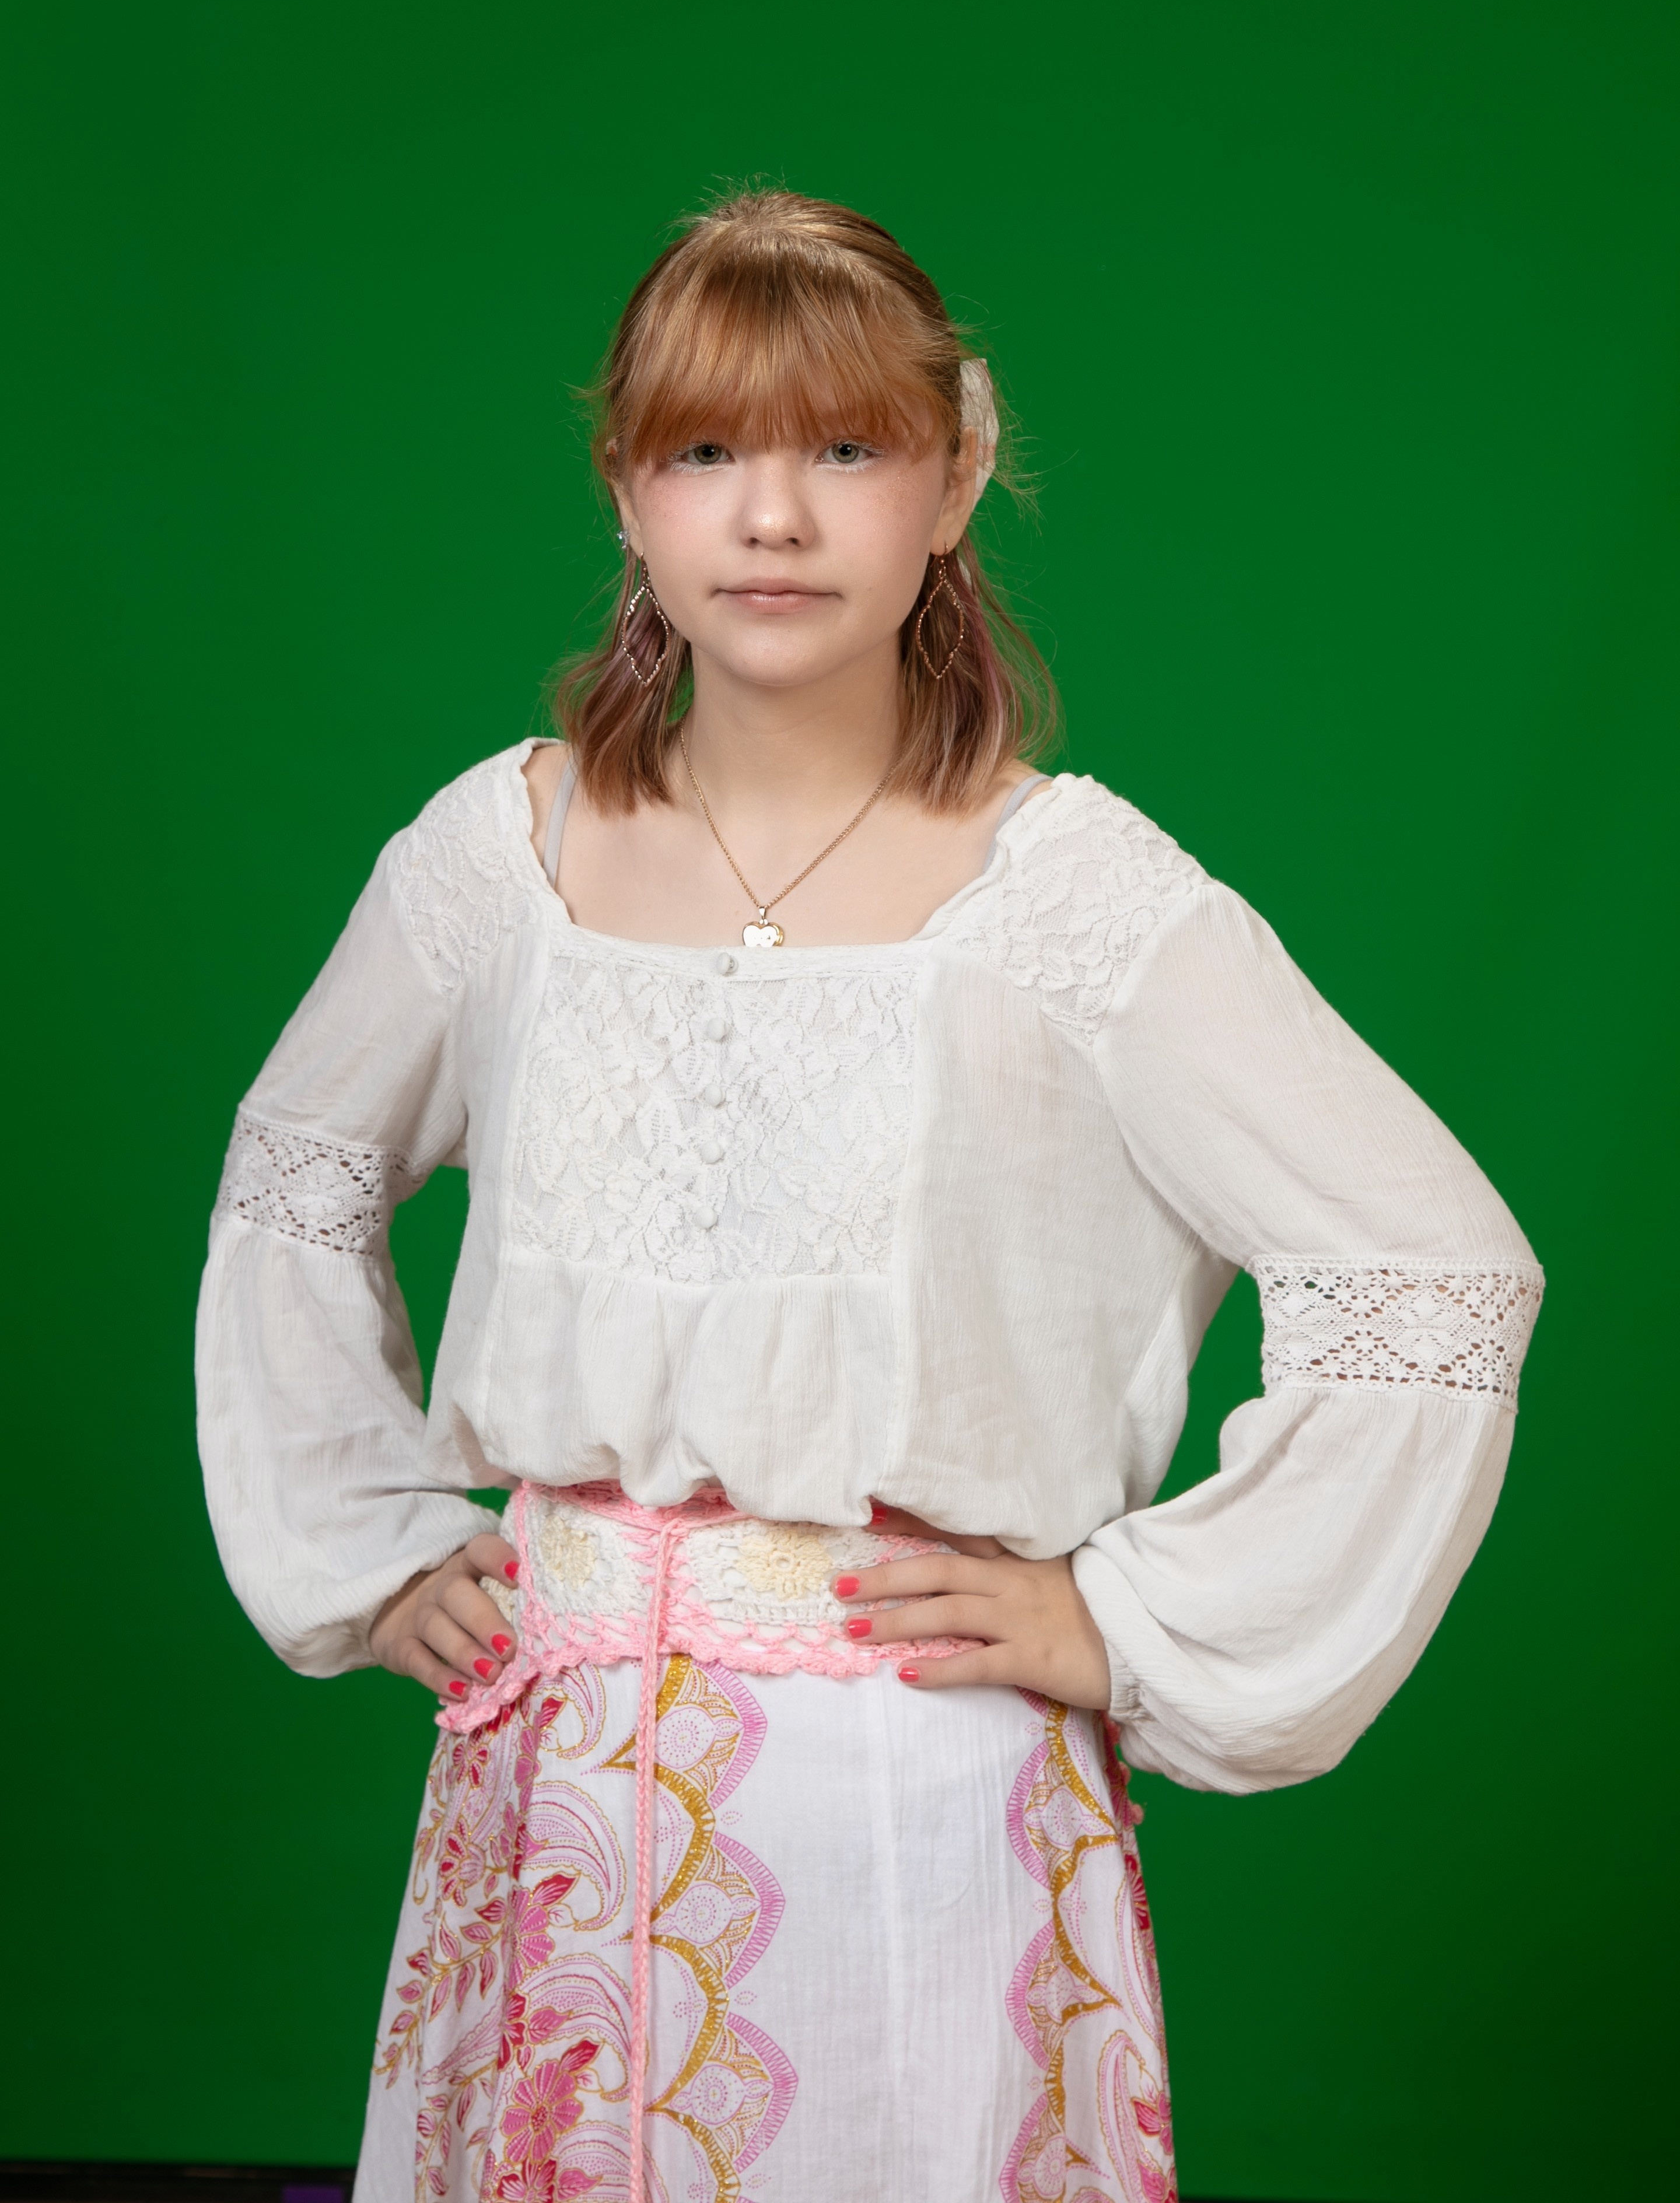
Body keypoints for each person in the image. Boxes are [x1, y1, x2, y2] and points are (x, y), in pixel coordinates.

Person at [197, 189, 1542, 2203]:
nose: (772, 517)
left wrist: (1129, 1623)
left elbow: (1433, 1274)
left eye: (845, 448)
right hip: (548, 1783)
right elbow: (296, 1179)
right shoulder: (498, 863)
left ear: (955, 479)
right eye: (704, 451)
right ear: (626, 489)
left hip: (917, 1787)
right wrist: (369, 1555)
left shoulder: (1076, 901)